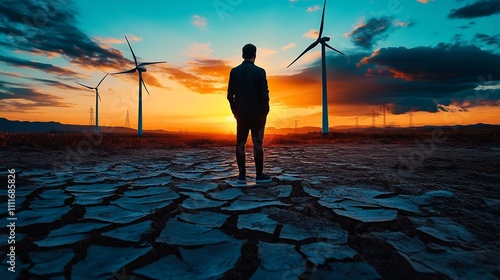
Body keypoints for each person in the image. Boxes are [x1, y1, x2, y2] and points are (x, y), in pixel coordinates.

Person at [227, 43, 272, 184]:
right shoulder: (260, 72)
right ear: (255, 55)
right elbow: (264, 94)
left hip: (241, 114)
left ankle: (241, 175)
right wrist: (265, 111)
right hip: (258, 114)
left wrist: (235, 111)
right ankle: (259, 174)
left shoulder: (234, 72)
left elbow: (229, 95)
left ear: (242, 55)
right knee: (258, 144)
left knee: (240, 143)